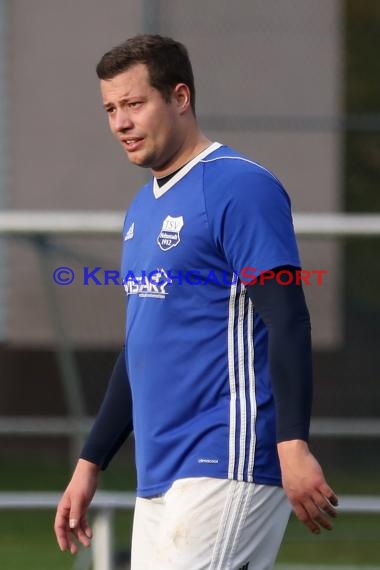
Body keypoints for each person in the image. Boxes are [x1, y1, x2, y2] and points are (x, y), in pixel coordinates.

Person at [54, 34, 338, 570]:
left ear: (180, 97)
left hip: (226, 460)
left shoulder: (239, 186)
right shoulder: (142, 208)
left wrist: (293, 443)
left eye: (135, 104)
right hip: (160, 473)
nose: (120, 122)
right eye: (111, 109)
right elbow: (140, 346)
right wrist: (90, 462)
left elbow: (287, 318)